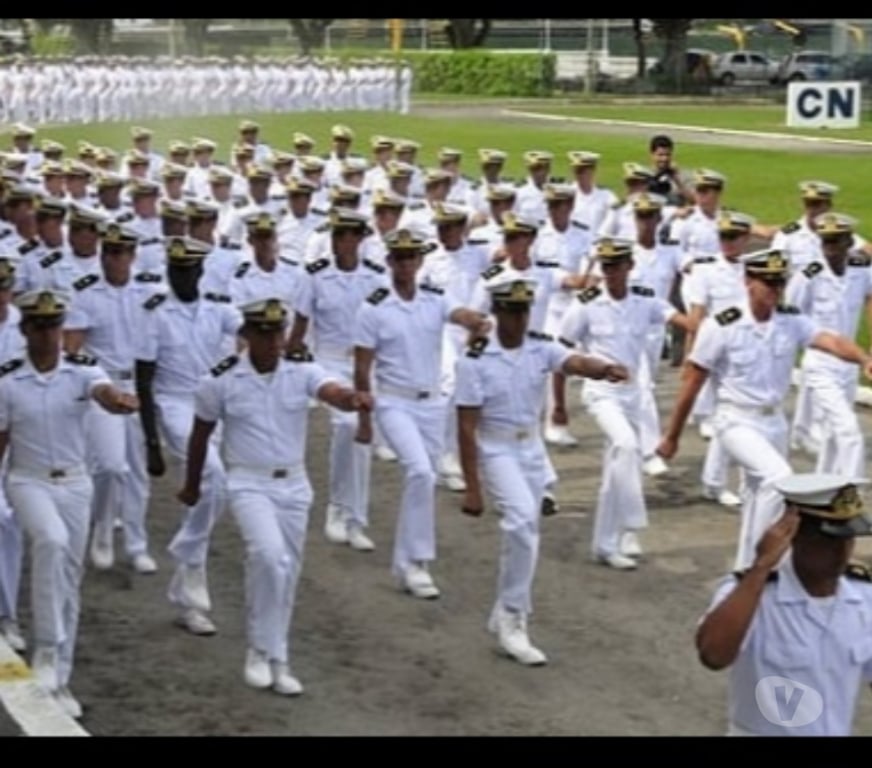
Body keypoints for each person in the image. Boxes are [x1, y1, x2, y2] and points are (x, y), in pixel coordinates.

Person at [178, 297, 373, 697]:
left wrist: (350, 398)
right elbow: (200, 435)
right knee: (268, 556)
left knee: (287, 572)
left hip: (294, 484)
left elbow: (329, 390)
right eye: (263, 335)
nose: (272, 343)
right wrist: (192, 484)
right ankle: (258, 649)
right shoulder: (220, 379)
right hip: (248, 482)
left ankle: (278, 657)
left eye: (277, 334)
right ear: (247, 335)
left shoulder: (300, 371)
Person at [657, 248, 872, 570]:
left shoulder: (789, 320)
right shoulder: (722, 325)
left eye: (779, 282)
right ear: (748, 281)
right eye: (767, 282)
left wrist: (863, 358)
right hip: (735, 420)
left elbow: (830, 341)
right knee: (779, 479)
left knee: (758, 495)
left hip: (775, 422)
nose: (774, 289)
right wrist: (672, 435)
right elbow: (692, 381)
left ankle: (744, 568)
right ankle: (762, 566)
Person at [455, 275, 628, 666]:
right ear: (497, 312)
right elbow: (466, 426)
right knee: (520, 522)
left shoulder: (539, 346)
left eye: (524, 311)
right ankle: (513, 618)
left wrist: (603, 368)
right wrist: (472, 487)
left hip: (531, 449)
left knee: (526, 532)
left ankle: (506, 608)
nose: (519, 319)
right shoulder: (475, 360)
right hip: (496, 448)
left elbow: (573, 362)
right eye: (512, 311)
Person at [0, 289, 138, 719]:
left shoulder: (82, 371)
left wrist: (117, 401)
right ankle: (45, 649)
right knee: (51, 542)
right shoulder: (7, 380)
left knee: (69, 579)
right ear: (25, 330)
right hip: (28, 480)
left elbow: (103, 391)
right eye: (39, 326)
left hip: (76, 483)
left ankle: (60, 676)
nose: (48, 335)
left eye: (54, 326)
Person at [353, 226, 490, 599]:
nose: (405, 264)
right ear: (389, 261)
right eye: (399, 258)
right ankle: (417, 562)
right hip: (394, 402)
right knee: (420, 471)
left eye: (411, 257)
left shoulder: (434, 298)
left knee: (424, 480)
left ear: (419, 261)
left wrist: (476, 320)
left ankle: (406, 563)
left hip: (431, 403)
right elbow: (362, 369)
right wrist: (365, 421)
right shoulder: (374, 307)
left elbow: (458, 313)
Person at [696, 473, 872, 736]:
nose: (841, 551)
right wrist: (761, 566)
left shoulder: (864, 597)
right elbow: (713, 655)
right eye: (829, 540)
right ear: (793, 535)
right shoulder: (752, 595)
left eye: (848, 538)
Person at [559, 237, 692, 569]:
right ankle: (633, 520)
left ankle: (607, 542)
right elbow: (561, 348)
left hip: (632, 394)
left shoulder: (644, 300)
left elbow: (679, 319)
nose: (610, 272)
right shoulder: (587, 303)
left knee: (617, 467)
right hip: (600, 392)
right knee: (627, 445)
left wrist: (710, 328)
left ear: (630, 266)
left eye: (616, 265)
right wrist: (561, 400)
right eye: (606, 266)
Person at [134, 236, 243, 636]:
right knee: (213, 477)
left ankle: (187, 600)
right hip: (174, 403)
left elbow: (253, 330)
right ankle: (187, 550)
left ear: (199, 271)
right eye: (174, 270)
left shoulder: (217, 307)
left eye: (187, 270)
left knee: (199, 494)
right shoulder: (155, 312)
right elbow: (144, 379)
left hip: (212, 402)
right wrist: (152, 443)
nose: (180, 276)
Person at [784, 212, 872, 478]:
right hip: (820, 364)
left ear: (849, 242)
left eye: (835, 241)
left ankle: (824, 485)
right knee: (849, 432)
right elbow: (790, 314)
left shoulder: (861, 268)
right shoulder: (809, 274)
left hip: (849, 365)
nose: (829, 247)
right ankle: (852, 492)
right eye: (825, 241)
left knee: (833, 435)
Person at [647, 134, 693, 206]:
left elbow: (693, 201)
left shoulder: (682, 176)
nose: (665, 159)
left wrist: (677, 180)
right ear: (652, 155)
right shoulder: (645, 176)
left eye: (668, 154)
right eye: (660, 155)